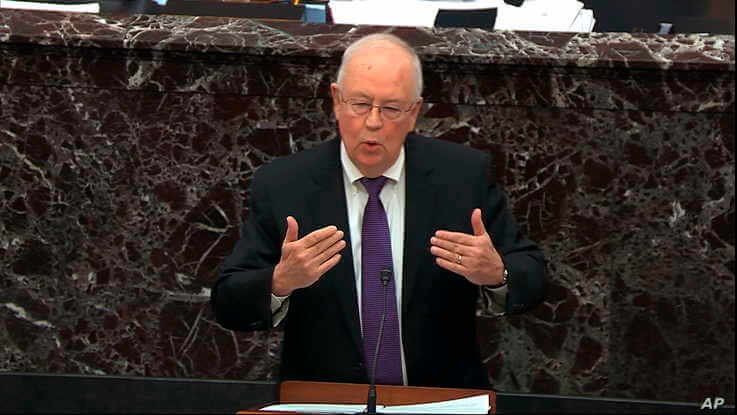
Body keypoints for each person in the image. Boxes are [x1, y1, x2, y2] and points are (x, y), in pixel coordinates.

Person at [211, 33, 545, 389]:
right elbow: (228, 302)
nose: (373, 122)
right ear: (336, 101)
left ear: (414, 112)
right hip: (324, 400)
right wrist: (279, 281)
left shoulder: (462, 177)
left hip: (438, 399)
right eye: (359, 104)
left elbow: (533, 275)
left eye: (390, 108)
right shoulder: (283, 184)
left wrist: (498, 274)